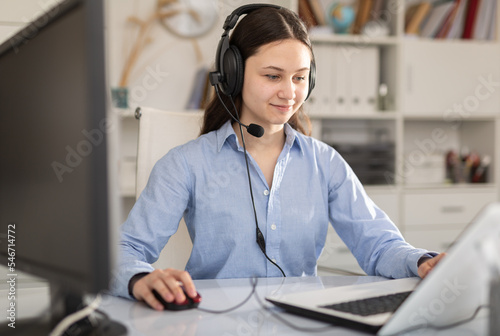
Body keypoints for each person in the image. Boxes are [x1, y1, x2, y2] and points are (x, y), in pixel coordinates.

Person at [112, 4, 445, 311]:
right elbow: (124, 250)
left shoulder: (324, 163)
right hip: (213, 322)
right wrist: (141, 278)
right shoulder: (187, 163)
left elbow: (380, 245)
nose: (289, 93)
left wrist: (421, 262)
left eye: (300, 77)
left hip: (302, 321)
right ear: (234, 75)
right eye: (272, 76)